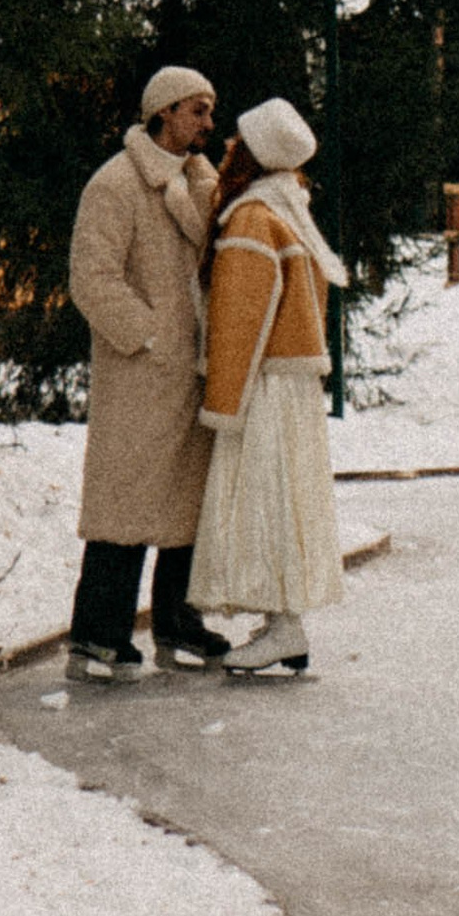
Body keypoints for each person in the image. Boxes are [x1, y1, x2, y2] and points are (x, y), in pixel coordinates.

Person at [65, 65, 232, 683]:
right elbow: (93, 278)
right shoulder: (116, 184)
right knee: (125, 502)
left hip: (193, 370)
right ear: (163, 112)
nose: (208, 123)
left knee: (187, 502)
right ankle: (98, 634)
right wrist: (151, 335)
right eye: (197, 110)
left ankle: (177, 621)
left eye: (209, 111)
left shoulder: (201, 181)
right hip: (142, 374)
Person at [191, 96, 347, 678]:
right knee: (287, 498)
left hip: (264, 385)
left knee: (263, 500)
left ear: (254, 156)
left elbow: (241, 317)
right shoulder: (290, 209)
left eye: (238, 141)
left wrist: (222, 400)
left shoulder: (253, 218)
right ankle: (284, 622)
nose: (228, 146)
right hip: (293, 383)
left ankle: (284, 626)